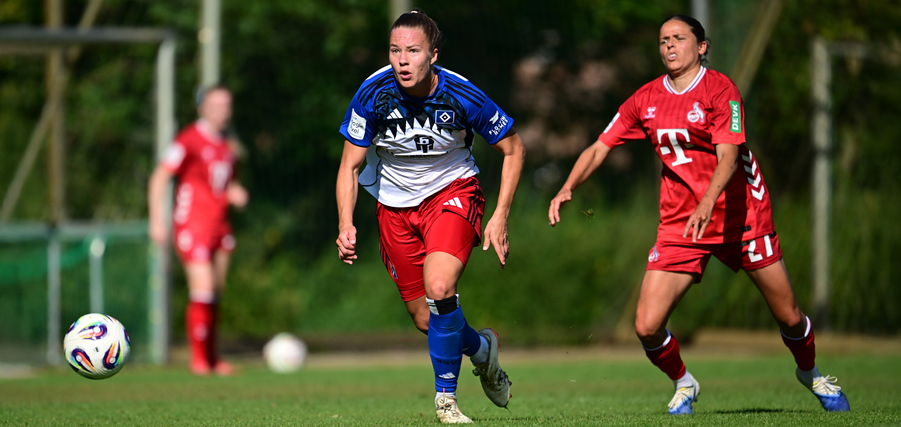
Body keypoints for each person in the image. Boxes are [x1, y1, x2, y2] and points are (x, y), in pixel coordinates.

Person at [548, 15, 850, 415]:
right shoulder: (645, 98)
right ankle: (684, 383)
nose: (669, 46)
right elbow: (600, 147)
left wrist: (708, 201)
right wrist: (570, 186)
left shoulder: (721, 90)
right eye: (663, 40)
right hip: (681, 223)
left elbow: (728, 157)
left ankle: (810, 373)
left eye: (679, 38)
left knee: (790, 317)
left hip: (742, 217)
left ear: (701, 46)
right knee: (646, 325)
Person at [336, 9, 524, 424]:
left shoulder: (463, 95)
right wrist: (345, 223)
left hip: (452, 193)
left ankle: (446, 401)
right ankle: (481, 349)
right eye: (394, 50)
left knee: (440, 288)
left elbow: (514, 149)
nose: (402, 60)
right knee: (426, 319)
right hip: (394, 207)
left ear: (433, 55)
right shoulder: (373, 94)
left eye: (413, 51)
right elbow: (349, 165)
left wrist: (500, 216)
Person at [148, 86, 249, 376]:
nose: (221, 111)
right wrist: (157, 220)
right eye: (215, 105)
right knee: (202, 288)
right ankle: (199, 360)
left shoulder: (229, 145)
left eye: (226, 105)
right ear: (201, 108)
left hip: (220, 225)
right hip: (192, 223)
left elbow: (224, 183)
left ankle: (213, 358)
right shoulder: (188, 139)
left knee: (216, 291)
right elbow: (159, 177)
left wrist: (235, 192)